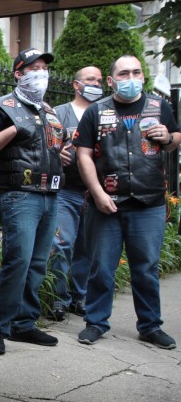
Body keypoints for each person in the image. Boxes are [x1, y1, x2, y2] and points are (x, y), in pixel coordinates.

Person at [74, 55, 179, 349]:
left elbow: (175, 139)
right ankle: (95, 323)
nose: (130, 78)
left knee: (145, 268)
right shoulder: (96, 111)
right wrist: (97, 193)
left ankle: (150, 326)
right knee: (102, 268)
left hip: (149, 202)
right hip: (106, 203)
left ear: (143, 76)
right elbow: (83, 154)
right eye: (123, 73)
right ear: (111, 80)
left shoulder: (160, 107)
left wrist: (168, 136)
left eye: (135, 72)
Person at [0, 48, 66, 356]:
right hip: (20, 196)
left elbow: (53, 148)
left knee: (38, 263)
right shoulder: (3, 108)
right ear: (19, 74)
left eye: (44, 68)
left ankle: (24, 325)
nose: (41, 73)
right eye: (33, 68)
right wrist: (14, 129)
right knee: (18, 261)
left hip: (50, 196)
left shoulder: (48, 111)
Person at [46, 66, 104, 321]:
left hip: (96, 192)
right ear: (76, 84)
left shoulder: (105, 112)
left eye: (100, 80)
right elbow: (43, 146)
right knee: (62, 244)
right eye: (90, 79)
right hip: (66, 190)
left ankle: (78, 296)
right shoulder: (59, 113)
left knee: (87, 247)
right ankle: (58, 298)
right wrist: (56, 153)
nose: (96, 84)